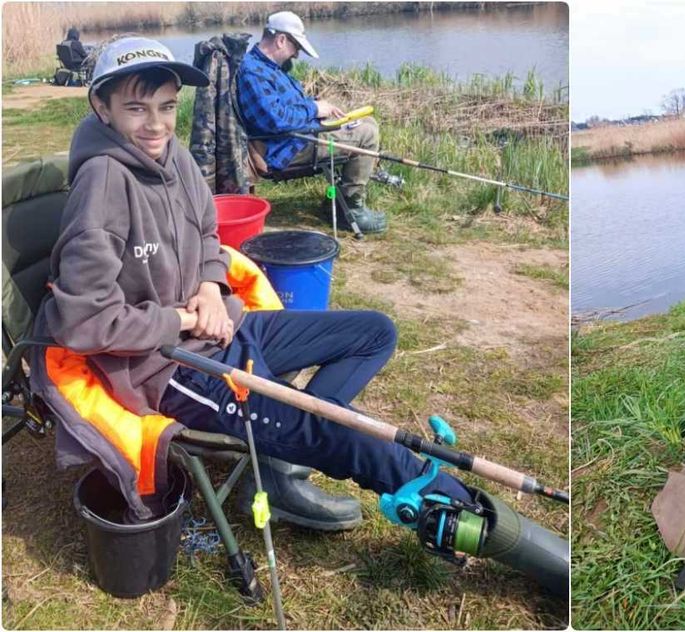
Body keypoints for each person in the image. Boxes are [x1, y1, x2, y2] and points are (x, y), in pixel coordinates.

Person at [30, 37, 564, 592]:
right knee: (345, 434)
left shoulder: (179, 160)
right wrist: (182, 322)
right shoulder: (101, 184)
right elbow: (84, 323)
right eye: (136, 108)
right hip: (170, 368)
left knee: (372, 333)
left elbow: (209, 236)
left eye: (166, 106)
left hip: (226, 327)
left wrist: (212, 289)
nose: (156, 124)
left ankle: (295, 448)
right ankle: (471, 519)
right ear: (103, 107)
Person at [236, 11, 387, 234]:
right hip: (286, 149)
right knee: (367, 135)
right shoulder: (252, 72)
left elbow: (285, 107)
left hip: (298, 137)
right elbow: (276, 120)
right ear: (281, 40)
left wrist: (318, 108)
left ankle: (338, 203)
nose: (296, 55)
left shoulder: (267, 67)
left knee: (367, 122)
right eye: (296, 47)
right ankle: (352, 210)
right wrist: (315, 109)